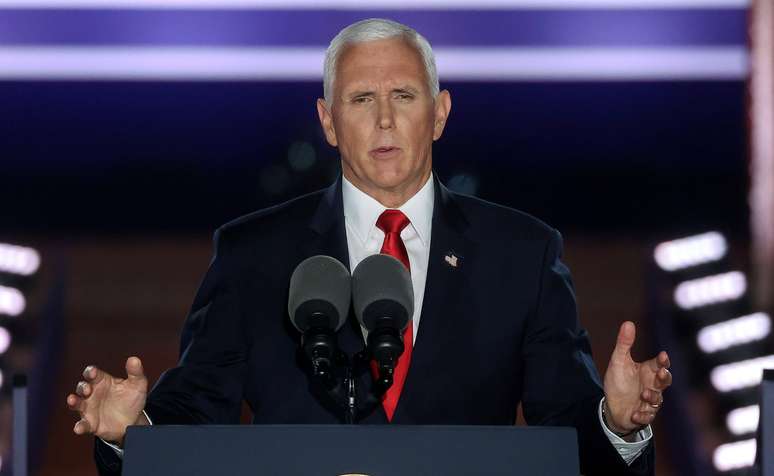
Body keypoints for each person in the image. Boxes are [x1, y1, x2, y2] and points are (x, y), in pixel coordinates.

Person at [66, 18, 672, 475]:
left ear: (439, 113)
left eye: (404, 97)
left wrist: (615, 422)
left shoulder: (523, 253)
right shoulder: (253, 252)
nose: (384, 120)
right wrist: (131, 432)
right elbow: (197, 412)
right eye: (361, 100)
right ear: (328, 122)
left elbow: (565, 430)